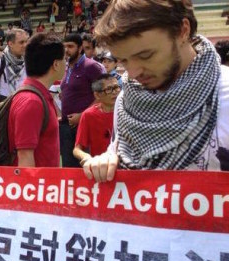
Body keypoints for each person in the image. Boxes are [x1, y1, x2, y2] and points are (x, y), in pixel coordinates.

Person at [83, 0, 229, 182]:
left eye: (146, 56)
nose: (133, 73)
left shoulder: (225, 95)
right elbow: (119, 150)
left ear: (182, 30)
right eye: (124, 61)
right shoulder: (127, 100)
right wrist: (108, 161)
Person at [8, 33, 66, 167]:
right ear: (56, 64)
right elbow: (25, 158)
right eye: (64, 59)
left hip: (46, 185)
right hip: (38, 186)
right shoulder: (32, 102)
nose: (66, 64)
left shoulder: (38, 96)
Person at [59, 33, 105, 167]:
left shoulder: (91, 66)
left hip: (85, 126)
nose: (67, 50)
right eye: (65, 47)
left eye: (70, 46)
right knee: (68, 169)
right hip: (67, 127)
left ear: (80, 48)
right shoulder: (67, 67)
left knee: (87, 167)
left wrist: (83, 115)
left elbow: (103, 94)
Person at [73, 73, 119, 166]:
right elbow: (77, 149)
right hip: (101, 168)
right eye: (109, 89)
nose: (115, 92)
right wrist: (86, 157)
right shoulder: (89, 115)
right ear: (97, 95)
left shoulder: (127, 111)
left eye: (116, 87)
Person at [0, 28, 29, 102]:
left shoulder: (28, 63)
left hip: (23, 106)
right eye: (21, 42)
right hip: (4, 107)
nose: (25, 45)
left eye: (26, 42)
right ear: (10, 44)